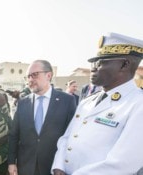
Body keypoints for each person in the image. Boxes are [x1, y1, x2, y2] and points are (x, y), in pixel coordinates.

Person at [52, 32, 143, 175]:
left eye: (101, 62)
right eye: (93, 62)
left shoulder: (138, 104)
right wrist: (58, 166)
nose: (93, 67)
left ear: (124, 65)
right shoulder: (88, 101)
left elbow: (123, 164)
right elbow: (67, 138)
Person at [8, 60, 77, 175]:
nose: (30, 79)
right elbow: (14, 134)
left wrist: (63, 165)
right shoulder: (23, 103)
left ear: (48, 75)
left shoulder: (67, 101)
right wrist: (11, 162)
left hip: (53, 167)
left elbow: (70, 136)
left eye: (34, 75)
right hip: (26, 167)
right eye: (28, 76)